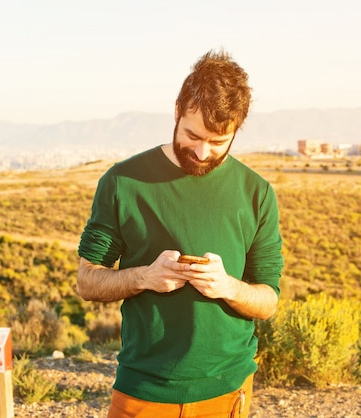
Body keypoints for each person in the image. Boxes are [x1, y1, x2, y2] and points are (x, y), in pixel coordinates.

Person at [77, 50, 283, 418]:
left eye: (219, 142)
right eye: (193, 135)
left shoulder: (257, 193)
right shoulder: (122, 182)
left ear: (238, 129)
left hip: (228, 389)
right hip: (144, 388)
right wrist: (145, 277)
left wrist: (227, 286)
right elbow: (87, 281)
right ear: (177, 111)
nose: (203, 153)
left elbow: (268, 301)